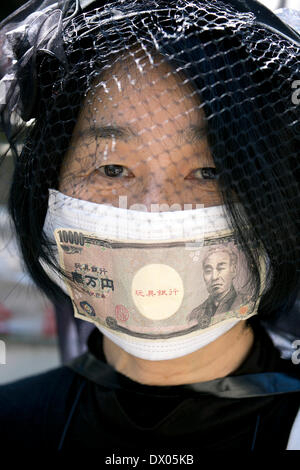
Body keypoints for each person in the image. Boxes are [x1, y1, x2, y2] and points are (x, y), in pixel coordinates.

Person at [0, 0, 299, 452]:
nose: (153, 213)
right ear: (46, 186)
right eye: (113, 168)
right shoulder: (12, 424)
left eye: (210, 172)